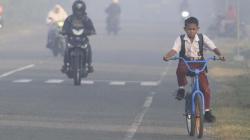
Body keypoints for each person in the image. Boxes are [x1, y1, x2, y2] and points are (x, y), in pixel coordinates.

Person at [163, 17, 225, 123]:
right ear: (184, 29)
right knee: (180, 68)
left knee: (206, 89)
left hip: (199, 64)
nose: (191, 31)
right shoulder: (181, 39)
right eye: (189, 29)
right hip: (186, 62)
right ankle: (181, 89)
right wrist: (167, 56)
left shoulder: (202, 38)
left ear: (197, 29)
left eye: (193, 29)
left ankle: (207, 111)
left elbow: (213, 47)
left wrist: (220, 55)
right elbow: (174, 50)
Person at [61, 0, 96, 73]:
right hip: (71, 38)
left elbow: (91, 28)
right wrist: (64, 31)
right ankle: (65, 65)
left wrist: (91, 31)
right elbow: (65, 27)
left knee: (88, 48)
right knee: (66, 49)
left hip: (83, 38)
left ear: (83, 9)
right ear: (74, 9)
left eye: (80, 10)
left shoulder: (86, 19)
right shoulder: (69, 18)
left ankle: (89, 65)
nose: (78, 12)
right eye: (77, 10)